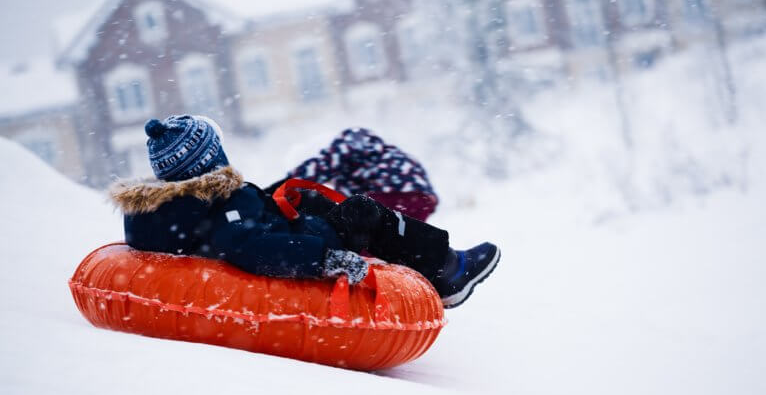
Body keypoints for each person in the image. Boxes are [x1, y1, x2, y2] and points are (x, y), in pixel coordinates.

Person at [109, 115, 499, 308]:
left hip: (283, 227)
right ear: (211, 158)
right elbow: (248, 243)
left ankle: (430, 268)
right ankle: (448, 272)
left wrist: (270, 200)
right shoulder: (220, 202)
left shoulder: (176, 209)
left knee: (309, 198)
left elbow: (232, 226)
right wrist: (325, 258)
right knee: (364, 213)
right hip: (302, 242)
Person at [270, 127, 438, 221]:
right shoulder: (368, 156)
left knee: (368, 238)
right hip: (423, 198)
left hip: (394, 192)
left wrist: (281, 186)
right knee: (402, 243)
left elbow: (316, 169)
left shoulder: (343, 146)